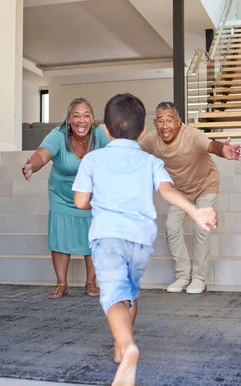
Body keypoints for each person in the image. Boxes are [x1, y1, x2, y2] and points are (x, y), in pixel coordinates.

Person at [72, 93, 217, 386]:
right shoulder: (150, 160)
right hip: (140, 239)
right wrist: (196, 211)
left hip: (108, 236)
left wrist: (95, 200)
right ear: (142, 132)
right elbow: (168, 192)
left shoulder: (92, 159)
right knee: (130, 292)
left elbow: (80, 201)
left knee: (113, 295)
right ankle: (120, 345)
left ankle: (128, 347)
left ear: (106, 129)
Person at [139, 101, 241, 294]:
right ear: (155, 123)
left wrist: (223, 150)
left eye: (170, 120)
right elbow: (134, 151)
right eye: (160, 121)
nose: (165, 125)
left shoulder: (191, 134)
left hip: (205, 184)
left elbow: (211, 146)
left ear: (178, 121)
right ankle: (183, 276)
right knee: (171, 227)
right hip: (180, 190)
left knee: (200, 227)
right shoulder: (152, 139)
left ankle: (199, 278)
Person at [21, 97, 110, 299]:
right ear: (68, 120)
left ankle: (91, 281)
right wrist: (30, 166)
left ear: (93, 119)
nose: (81, 120)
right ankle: (61, 283)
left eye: (86, 115)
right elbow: (42, 155)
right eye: (76, 115)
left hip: (91, 196)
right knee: (60, 236)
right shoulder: (58, 135)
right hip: (62, 194)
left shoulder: (100, 133)